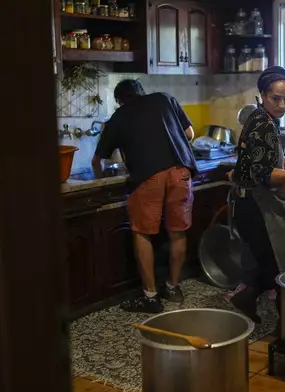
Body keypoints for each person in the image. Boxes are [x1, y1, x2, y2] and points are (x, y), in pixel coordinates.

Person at [92, 79, 197, 314]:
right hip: (181, 172)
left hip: (149, 176)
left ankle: (150, 297)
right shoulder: (164, 99)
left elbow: (97, 160)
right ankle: (172, 286)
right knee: (177, 232)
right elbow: (189, 133)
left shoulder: (118, 117)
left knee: (142, 232)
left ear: (119, 100)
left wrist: (100, 182)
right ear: (142, 92)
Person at [229, 66, 285, 325]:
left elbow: (258, 158)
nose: (282, 104)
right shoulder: (263, 125)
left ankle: (250, 301)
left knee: (271, 266)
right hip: (257, 205)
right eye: (275, 98)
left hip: (250, 203)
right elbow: (264, 174)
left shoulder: (260, 118)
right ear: (262, 95)